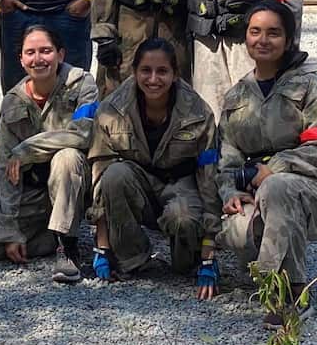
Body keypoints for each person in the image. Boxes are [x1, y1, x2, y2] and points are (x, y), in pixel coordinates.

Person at [217, 1, 317, 327]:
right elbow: (226, 157)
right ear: (246, 38)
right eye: (255, 31)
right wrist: (229, 192)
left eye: (273, 33)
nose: (263, 40)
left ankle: (290, 294)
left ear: (289, 40)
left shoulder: (309, 88)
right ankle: (268, 270)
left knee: (278, 187)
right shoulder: (236, 97)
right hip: (263, 192)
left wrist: (275, 168)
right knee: (239, 227)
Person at [87, 38, 221, 299]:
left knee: (183, 226)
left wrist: (208, 252)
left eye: (162, 71)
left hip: (182, 185)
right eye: (146, 70)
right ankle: (133, 256)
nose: (153, 79)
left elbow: (209, 179)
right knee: (114, 175)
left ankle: (187, 255)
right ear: (134, 71)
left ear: (175, 73)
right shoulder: (111, 109)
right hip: (138, 183)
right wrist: (102, 247)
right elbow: (100, 173)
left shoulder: (198, 112)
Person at [0, 25, 97, 283]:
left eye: (46, 51)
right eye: (30, 52)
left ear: (60, 54)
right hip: (34, 190)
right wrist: (10, 231)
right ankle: (50, 235)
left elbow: (84, 134)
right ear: (21, 59)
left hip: (75, 182)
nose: (38, 59)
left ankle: (66, 246)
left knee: (66, 157)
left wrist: (27, 150)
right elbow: (7, 167)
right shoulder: (13, 101)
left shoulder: (82, 84)